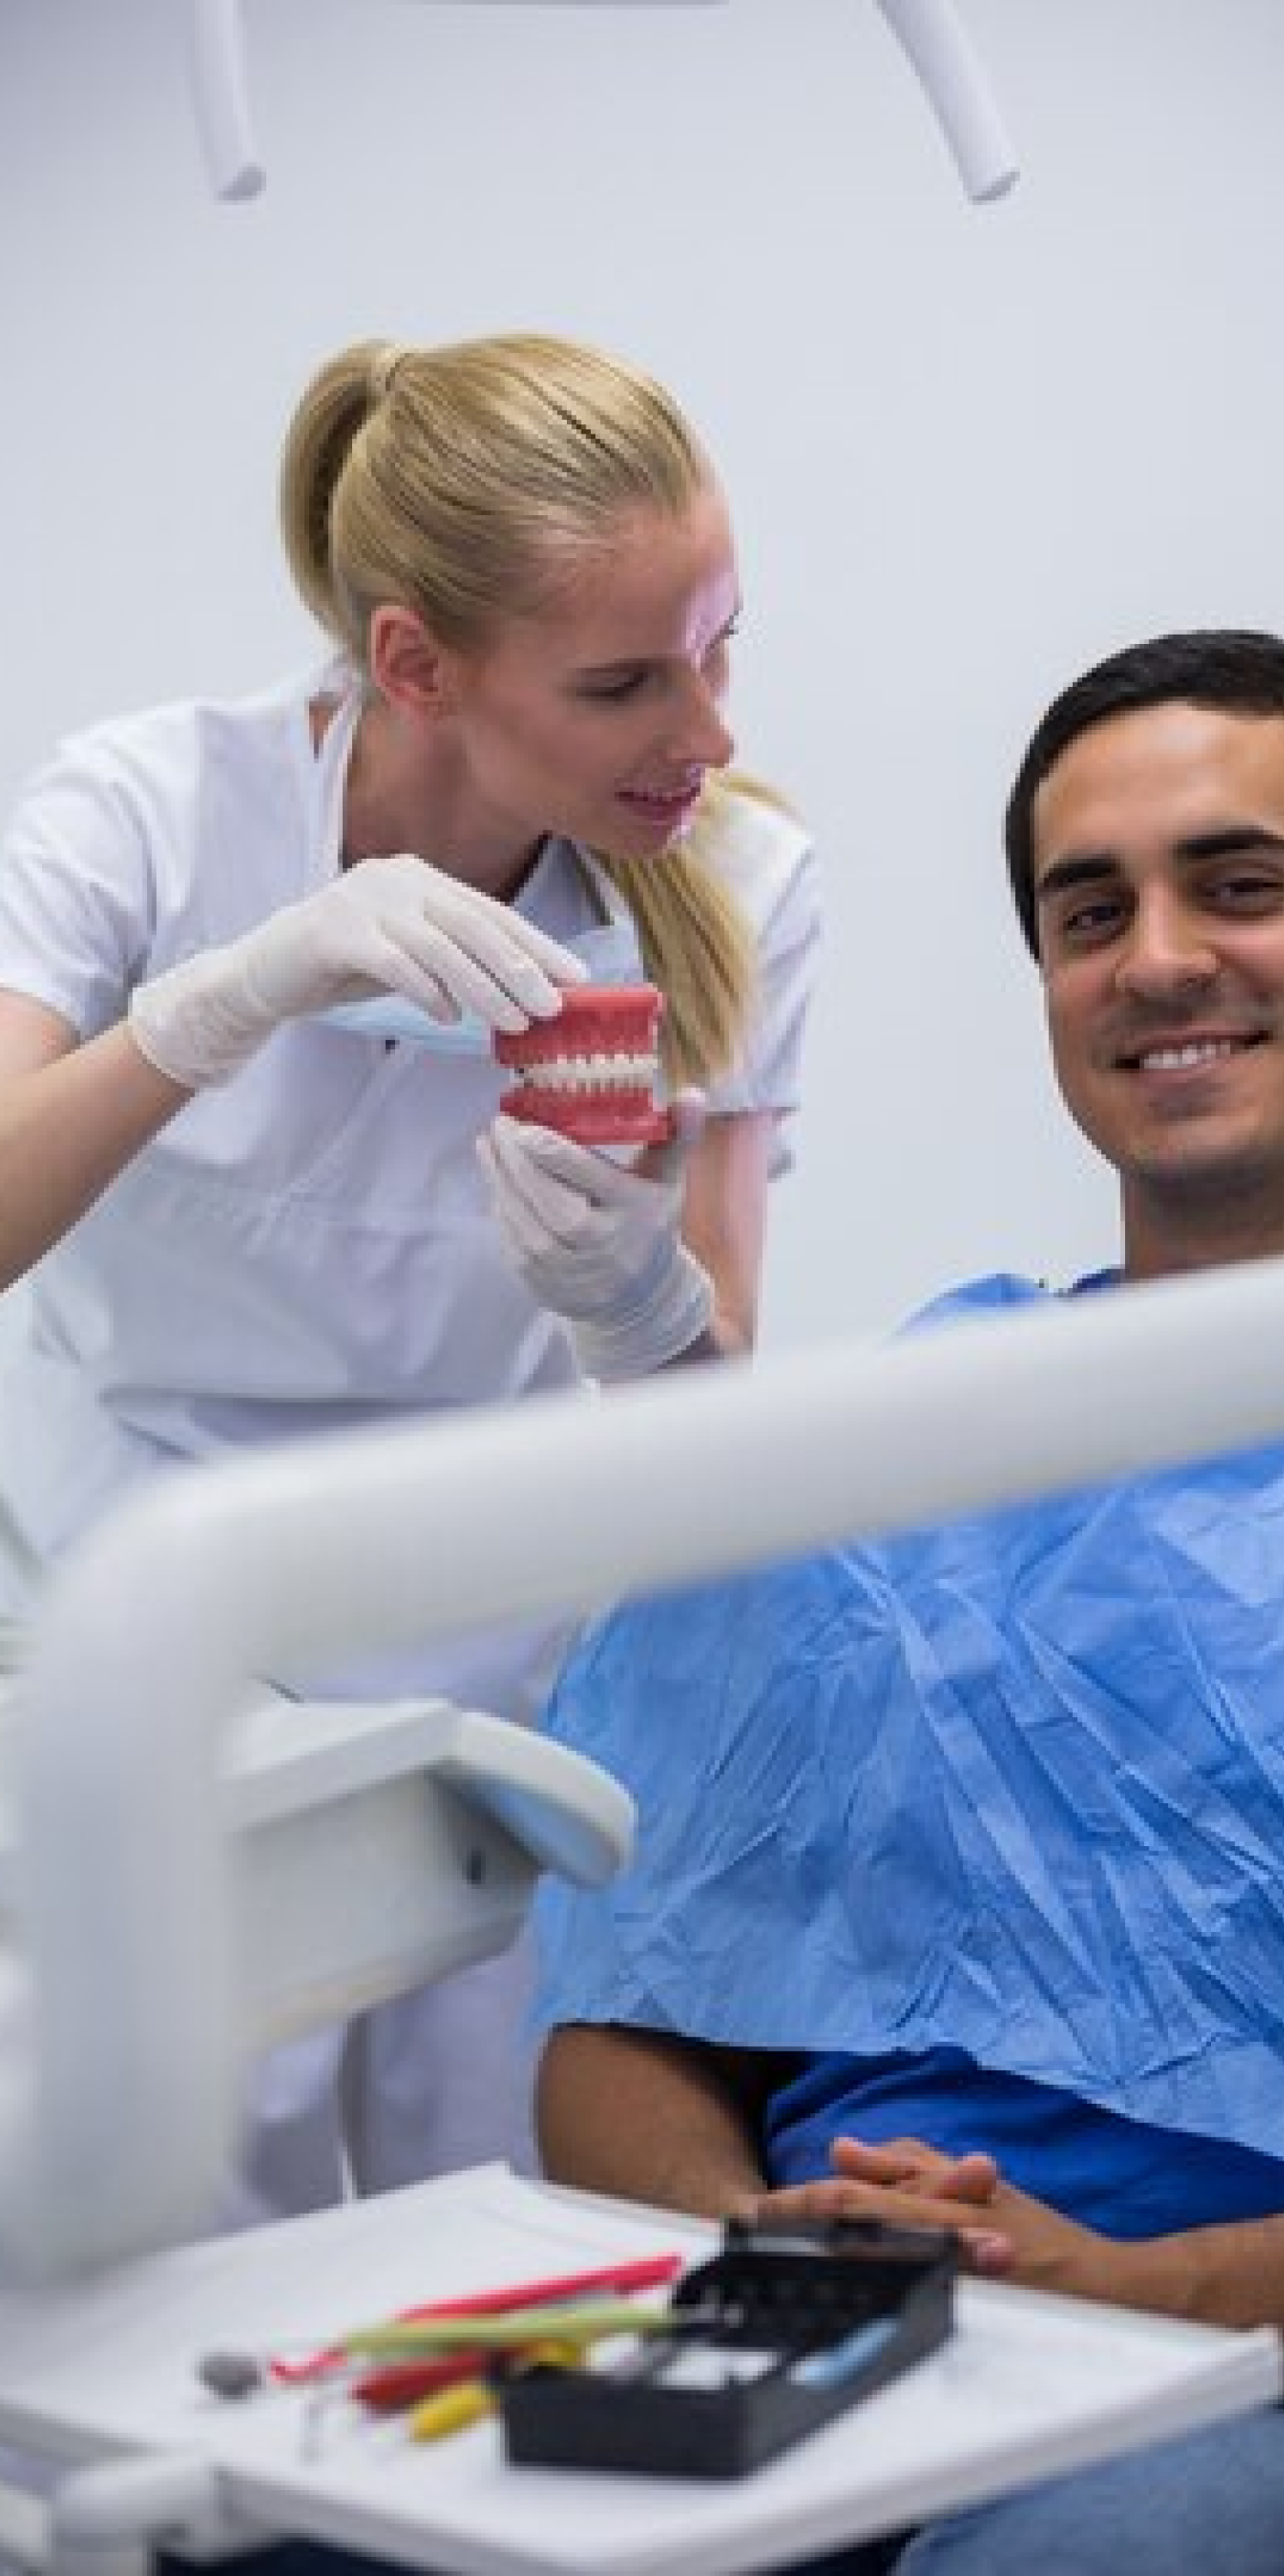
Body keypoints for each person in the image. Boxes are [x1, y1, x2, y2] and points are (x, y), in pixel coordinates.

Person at [527, 630, 1284, 2575]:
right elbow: (627, 2016)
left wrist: (1120, 2293)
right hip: (818, 2347)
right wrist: (761, 2244)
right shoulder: (928, 1430)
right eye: (1092, 913)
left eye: (1239, 884)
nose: (1158, 957)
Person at [0, 329, 819, 2219]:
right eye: (623, 682)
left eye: (718, 647)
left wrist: (644, 1306)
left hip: (500, 1643)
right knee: (173, 2235)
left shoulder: (745, 885)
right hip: (150, 1611)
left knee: (505, 2234)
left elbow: (715, 1422)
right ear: (413, 664)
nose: (703, 735)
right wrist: (220, 1003)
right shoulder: (146, 812)